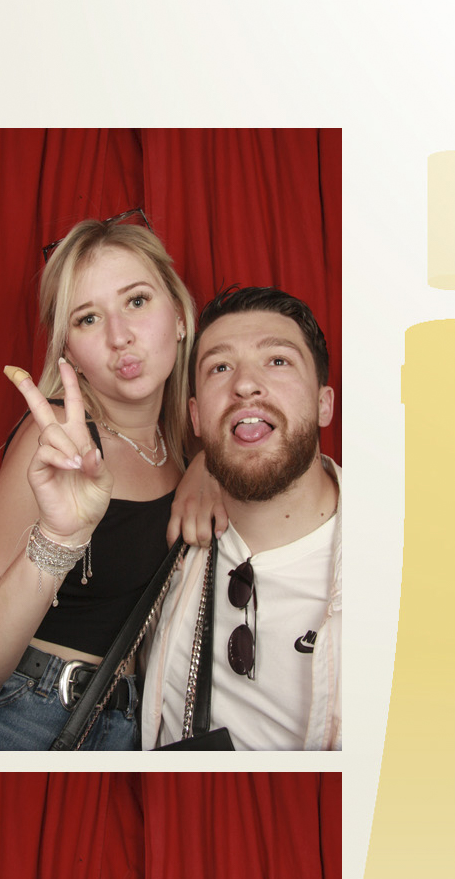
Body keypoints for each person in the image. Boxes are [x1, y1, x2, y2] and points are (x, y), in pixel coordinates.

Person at [0, 217, 222, 752]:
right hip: (5, 714)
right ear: (68, 349)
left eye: (137, 301)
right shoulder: (54, 443)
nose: (119, 336)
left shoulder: (189, 444)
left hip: (125, 727)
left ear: (181, 317)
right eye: (88, 318)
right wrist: (57, 539)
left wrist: (210, 462)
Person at [142, 286, 342, 750]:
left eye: (277, 361)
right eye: (220, 367)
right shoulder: (163, 539)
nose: (245, 384)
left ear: (324, 404)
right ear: (196, 417)